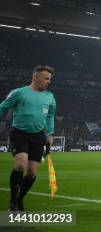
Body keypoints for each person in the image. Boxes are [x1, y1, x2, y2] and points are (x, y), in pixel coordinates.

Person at [0, 65, 56, 211]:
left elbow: (50, 116)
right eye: (46, 78)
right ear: (35, 77)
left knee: (31, 173)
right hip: (19, 134)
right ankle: (12, 201)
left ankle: (19, 200)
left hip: (38, 136)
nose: (48, 81)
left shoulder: (50, 97)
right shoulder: (19, 93)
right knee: (20, 165)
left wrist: (50, 134)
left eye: (50, 79)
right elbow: (3, 107)